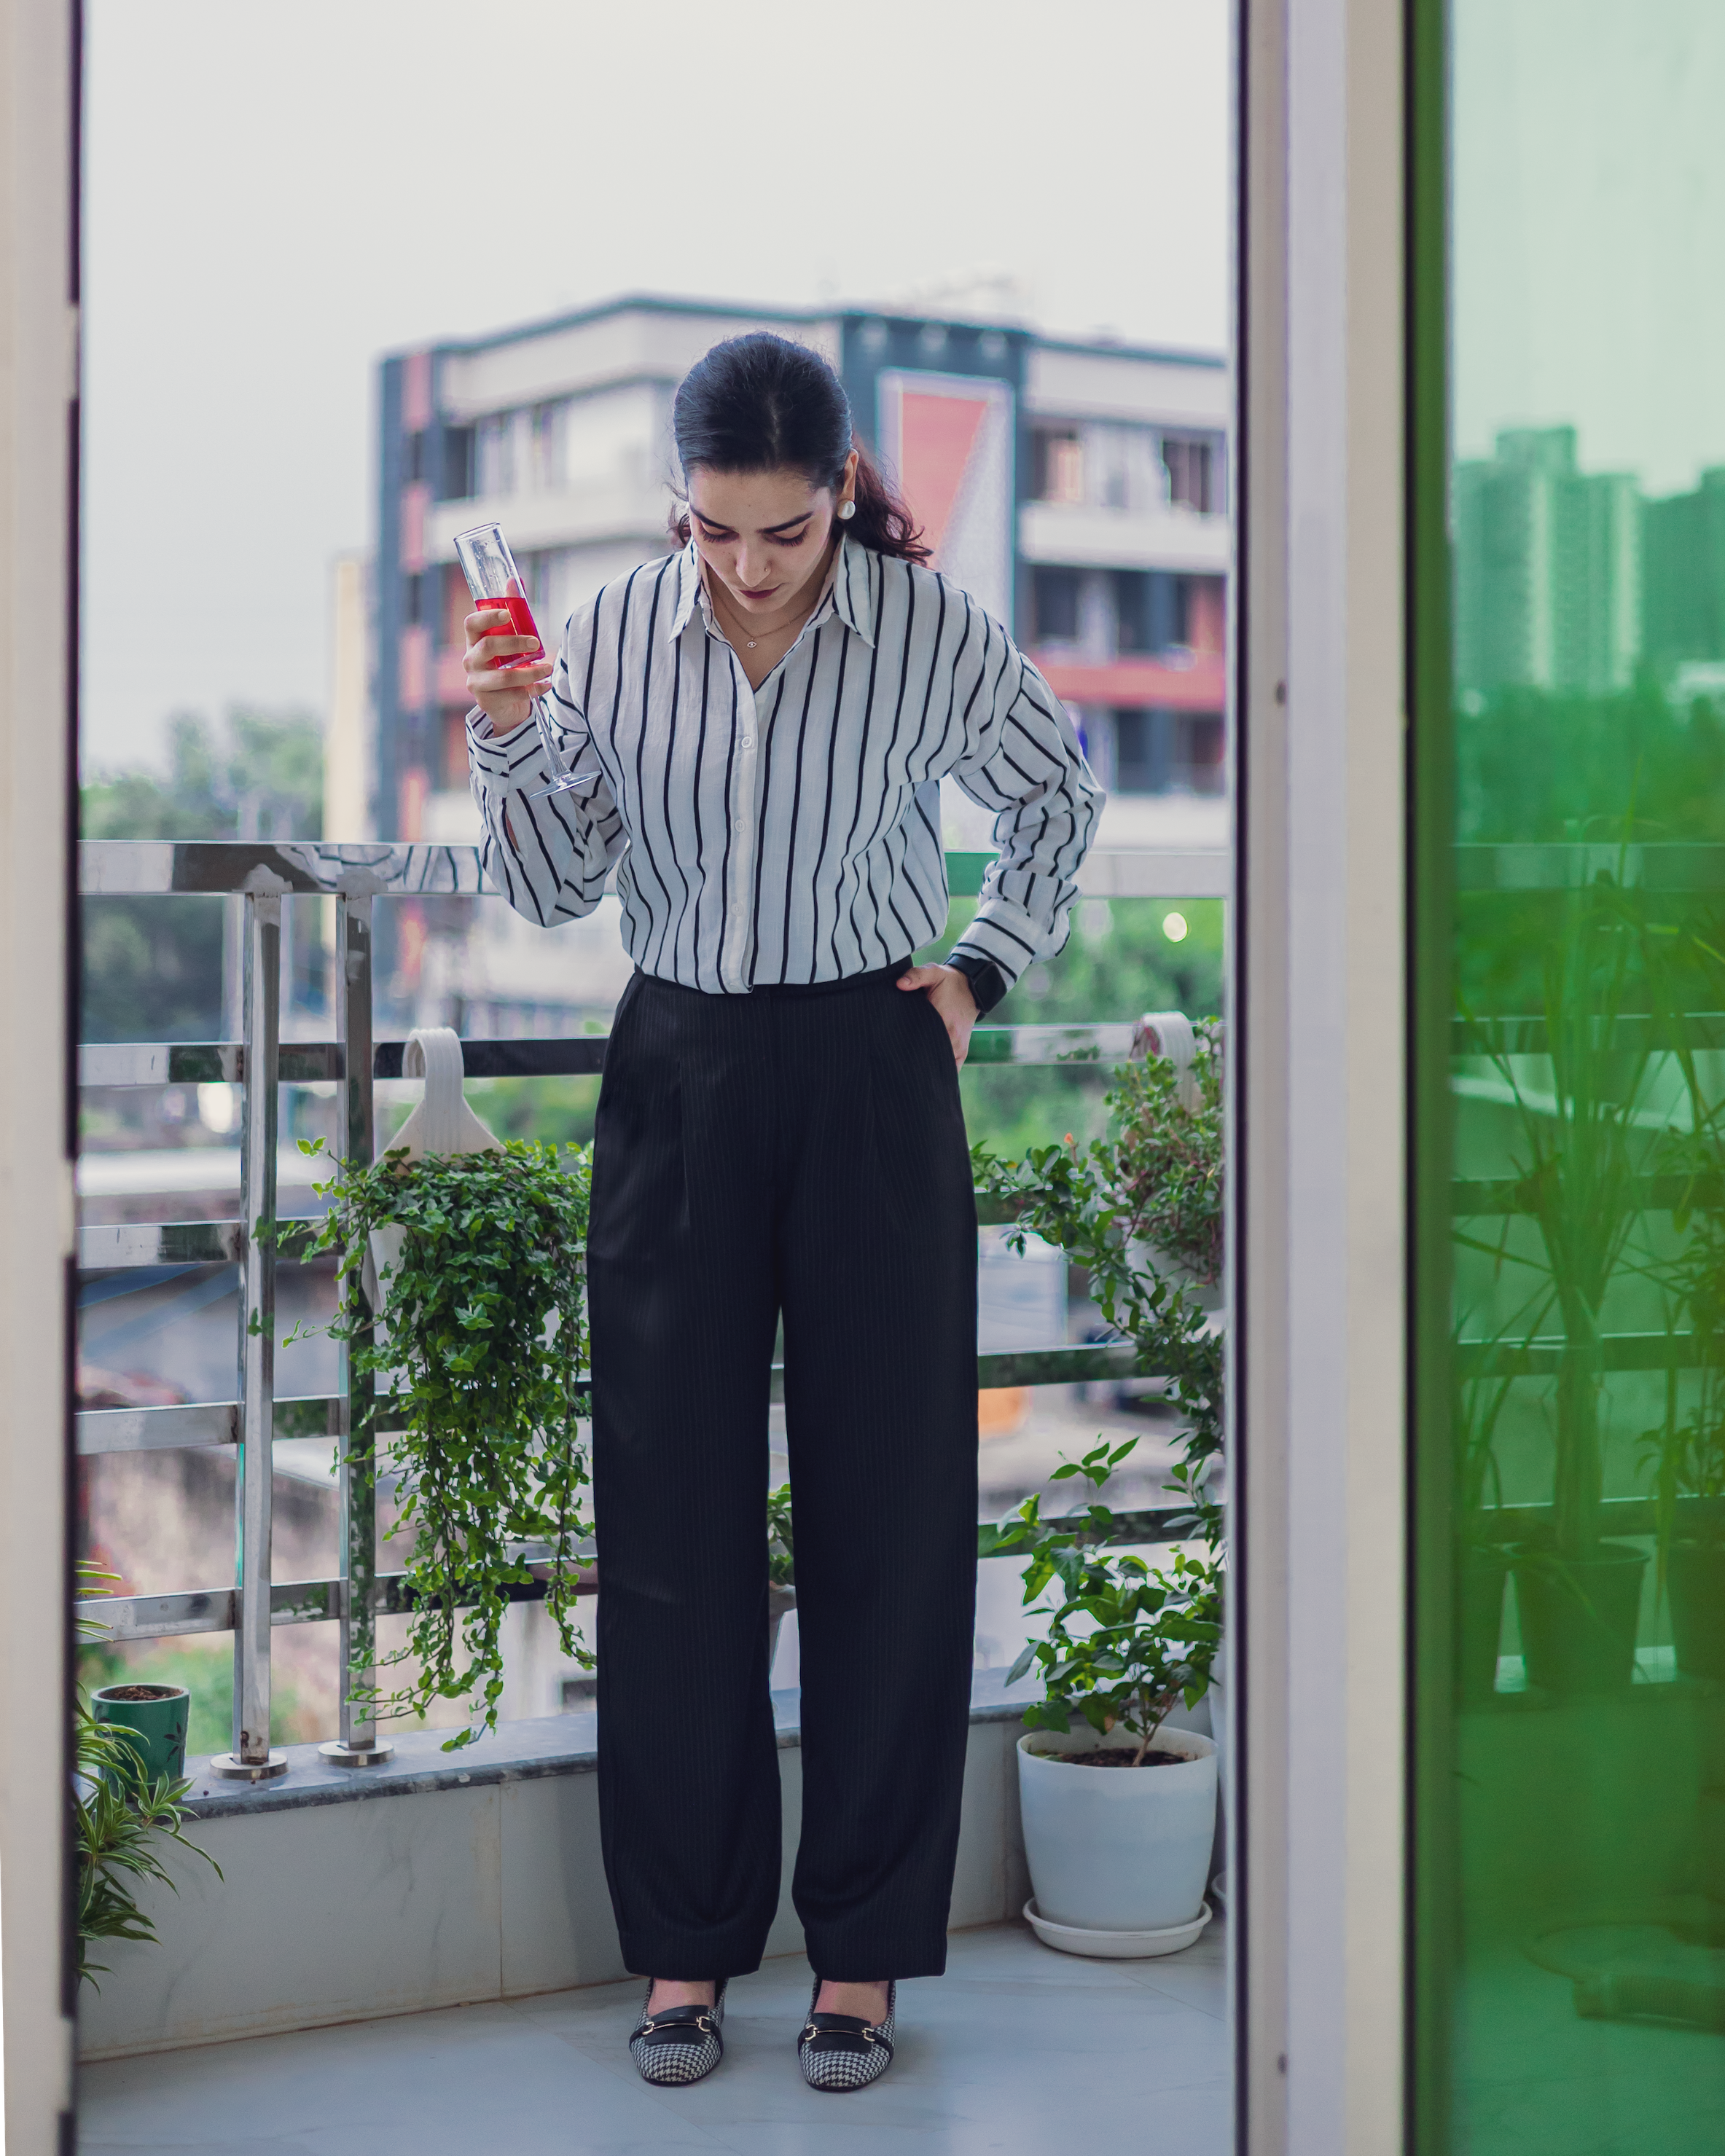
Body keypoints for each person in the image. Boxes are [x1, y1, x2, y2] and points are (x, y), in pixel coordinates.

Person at [464, 331, 1100, 2093]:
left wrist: (979, 973)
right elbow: (553, 876)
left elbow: (1058, 792)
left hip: (872, 1066)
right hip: (673, 1068)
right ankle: (682, 1951)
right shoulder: (602, 637)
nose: (748, 569)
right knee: (669, 1525)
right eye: (717, 532)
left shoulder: (926, 630)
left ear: (841, 497)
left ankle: (868, 1959)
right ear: (684, 508)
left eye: (785, 533)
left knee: (890, 1516)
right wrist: (514, 734)